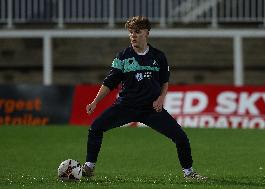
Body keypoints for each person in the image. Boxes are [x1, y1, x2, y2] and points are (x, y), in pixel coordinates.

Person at [82, 16, 207, 181]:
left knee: (181, 138)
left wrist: (161, 98)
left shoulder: (159, 57)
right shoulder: (122, 57)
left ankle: (189, 173)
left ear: (147, 33)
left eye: (137, 32)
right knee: (95, 128)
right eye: (130, 32)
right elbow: (109, 82)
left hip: (151, 109)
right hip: (126, 107)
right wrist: (95, 102)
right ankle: (89, 167)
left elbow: (164, 82)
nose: (133, 35)